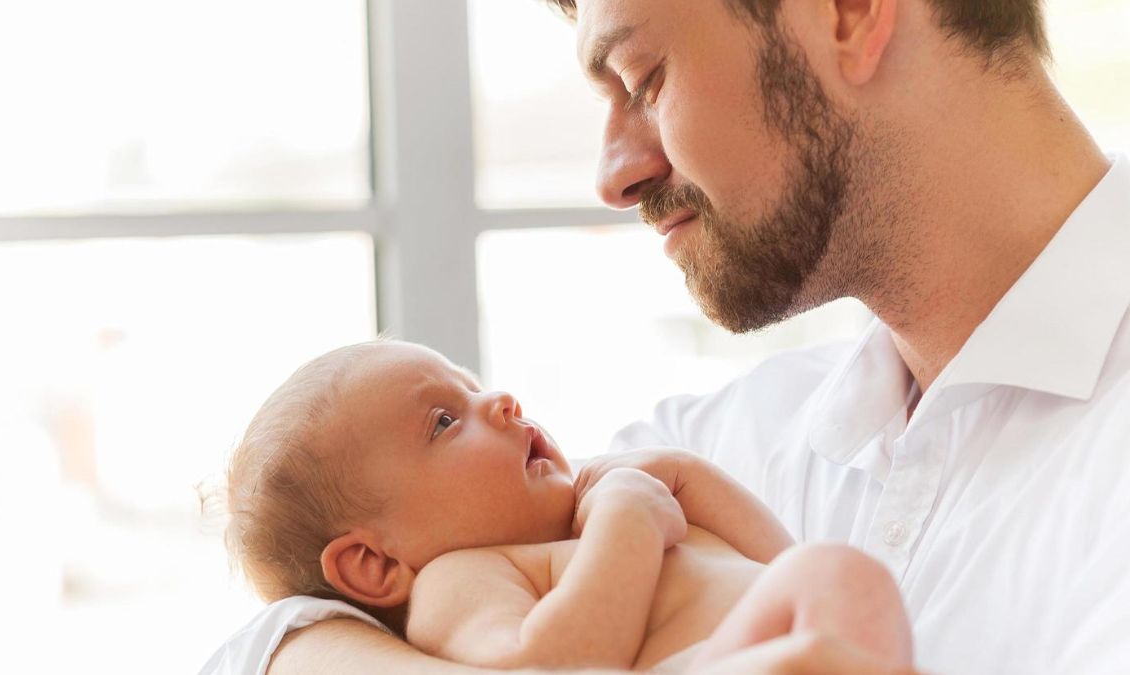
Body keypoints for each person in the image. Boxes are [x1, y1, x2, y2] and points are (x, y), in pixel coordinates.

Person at [212, 0, 1130, 672]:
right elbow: (268, 641)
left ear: (848, 13)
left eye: (644, 80)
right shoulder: (721, 445)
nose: (613, 174)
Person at [201, 341, 912, 674]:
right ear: (375, 561)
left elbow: (774, 563)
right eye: (445, 421)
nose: (501, 401)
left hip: (768, 639)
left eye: (473, 385)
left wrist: (686, 478)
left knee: (840, 578)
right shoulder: (462, 580)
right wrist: (627, 515)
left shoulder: (597, 502)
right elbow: (555, 664)